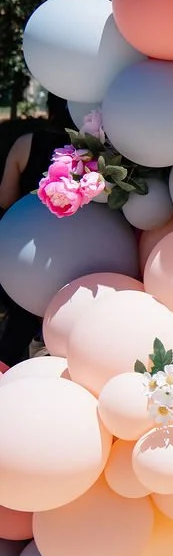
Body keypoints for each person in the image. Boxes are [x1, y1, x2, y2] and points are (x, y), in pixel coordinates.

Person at [0, 97, 72, 369]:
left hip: (26, 247)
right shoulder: (93, 152)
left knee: (19, 319)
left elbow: (5, 199)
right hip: (77, 251)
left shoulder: (25, 144)